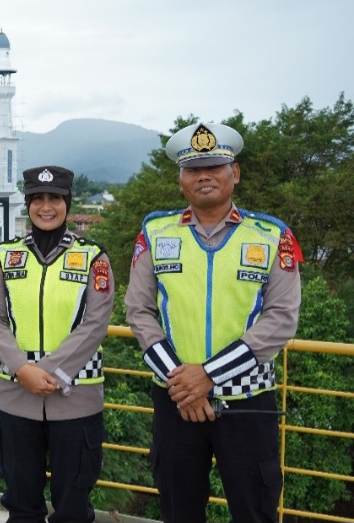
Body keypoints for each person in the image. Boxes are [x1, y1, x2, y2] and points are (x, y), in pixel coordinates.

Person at [125, 122, 302, 523]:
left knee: (254, 510)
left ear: (234, 173)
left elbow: (281, 319)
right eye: (193, 169)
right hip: (175, 403)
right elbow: (138, 311)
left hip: (248, 403)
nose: (204, 176)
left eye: (215, 166)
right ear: (180, 179)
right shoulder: (155, 232)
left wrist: (206, 375)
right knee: (178, 509)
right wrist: (184, 384)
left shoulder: (272, 235)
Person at [0, 165, 113, 523]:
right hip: (16, 397)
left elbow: (96, 322)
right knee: (21, 505)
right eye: (37, 199)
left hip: (76, 401)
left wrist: (49, 371)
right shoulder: (5, 257)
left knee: (73, 508)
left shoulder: (93, 258)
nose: (46, 206)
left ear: (67, 203)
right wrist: (22, 370)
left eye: (54, 198)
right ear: (27, 204)